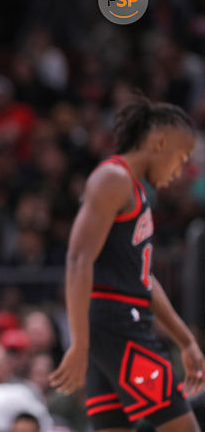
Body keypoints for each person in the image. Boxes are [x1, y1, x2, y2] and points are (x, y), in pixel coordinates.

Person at [49, 97, 205, 431]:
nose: (179, 172)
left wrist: (186, 340)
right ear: (160, 144)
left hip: (115, 328)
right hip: (117, 326)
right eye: (180, 160)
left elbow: (144, 277)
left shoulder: (135, 190)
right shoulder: (112, 178)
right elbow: (78, 260)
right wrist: (78, 342)